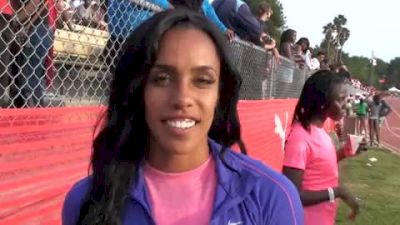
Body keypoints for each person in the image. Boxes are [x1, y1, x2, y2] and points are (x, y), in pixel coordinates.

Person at [62, 9, 303, 225]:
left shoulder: (272, 197)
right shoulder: (87, 201)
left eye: (202, 80)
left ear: (221, 92)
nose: (182, 98)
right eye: (162, 79)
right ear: (138, 89)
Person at [283, 70, 361, 225]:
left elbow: (319, 166)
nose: (346, 104)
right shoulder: (300, 139)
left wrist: (345, 152)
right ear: (324, 102)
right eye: (341, 99)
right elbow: (292, 194)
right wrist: (338, 192)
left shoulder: (321, 133)